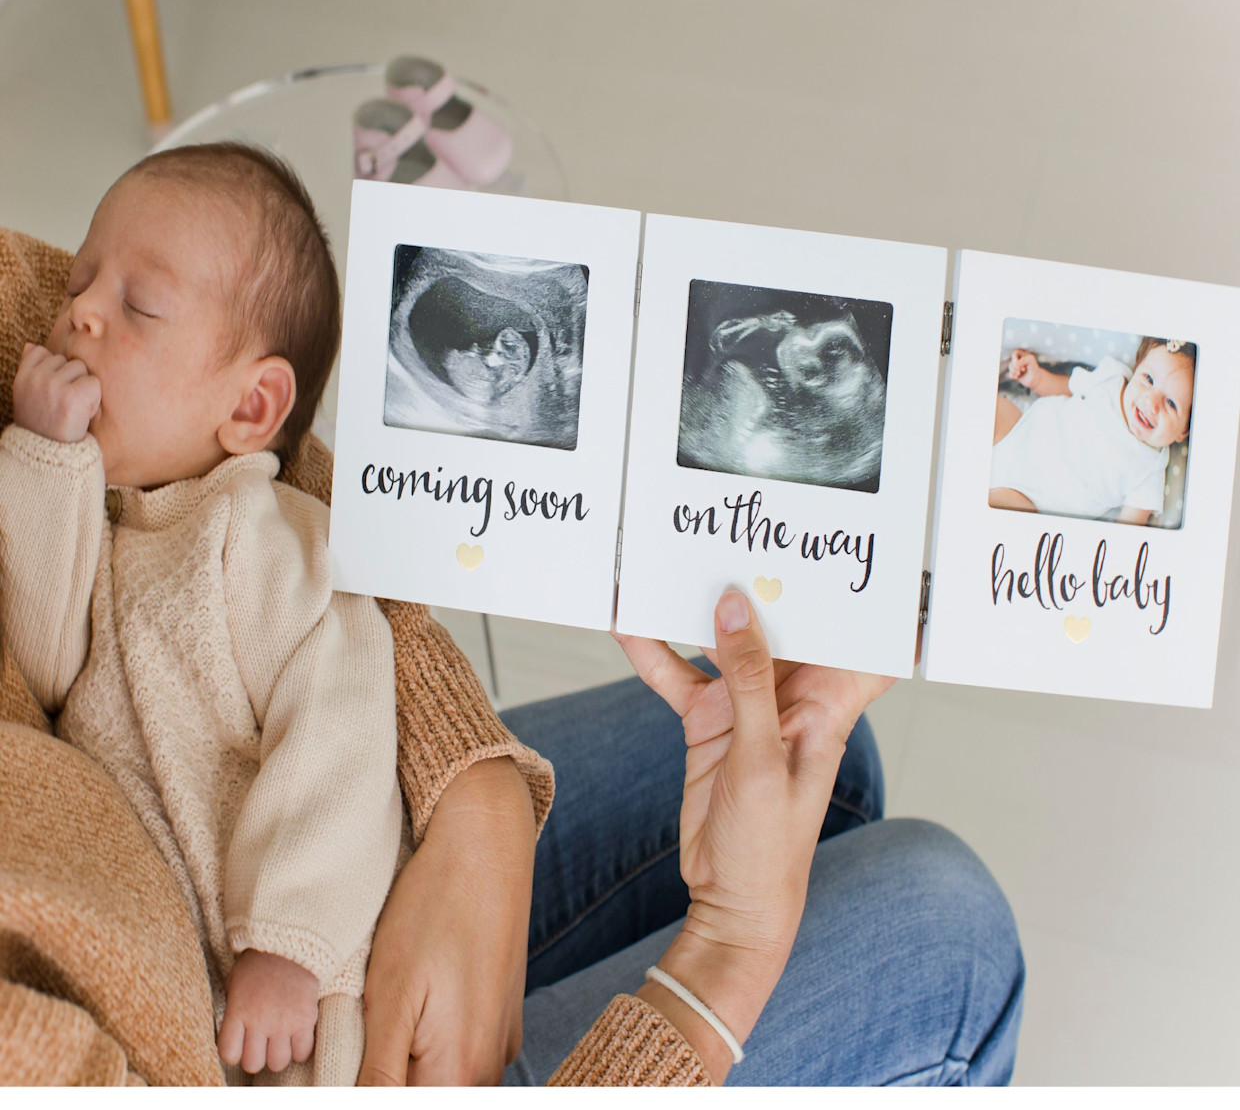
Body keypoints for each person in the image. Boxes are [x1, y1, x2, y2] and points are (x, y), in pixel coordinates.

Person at [0, 144, 543, 1086]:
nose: (78, 310)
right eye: (81, 282)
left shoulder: (270, 537)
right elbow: (41, 671)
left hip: (308, 974)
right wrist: (45, 460)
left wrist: (288, 943)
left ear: (253, 406)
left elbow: (340, 737)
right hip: (187, 995)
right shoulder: (101, 524)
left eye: (138, 305)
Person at [359, 589, 1027, 1086]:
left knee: (816, 751)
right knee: (956, 943)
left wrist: (480, 794)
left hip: (330, 811)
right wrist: (729, 946)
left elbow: (299, 500)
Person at [990, 338, 1195, 526]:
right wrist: (1038, 379)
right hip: (1021, 428)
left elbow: (1129, 526)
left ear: (1184, 431)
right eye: (1148, 379)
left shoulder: (1150, 468)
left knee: (993, 508)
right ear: (1136, 369)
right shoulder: (1112, 378)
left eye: (1171, 403)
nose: (1152, 403)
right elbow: (1068, 386)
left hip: (1033, 497)